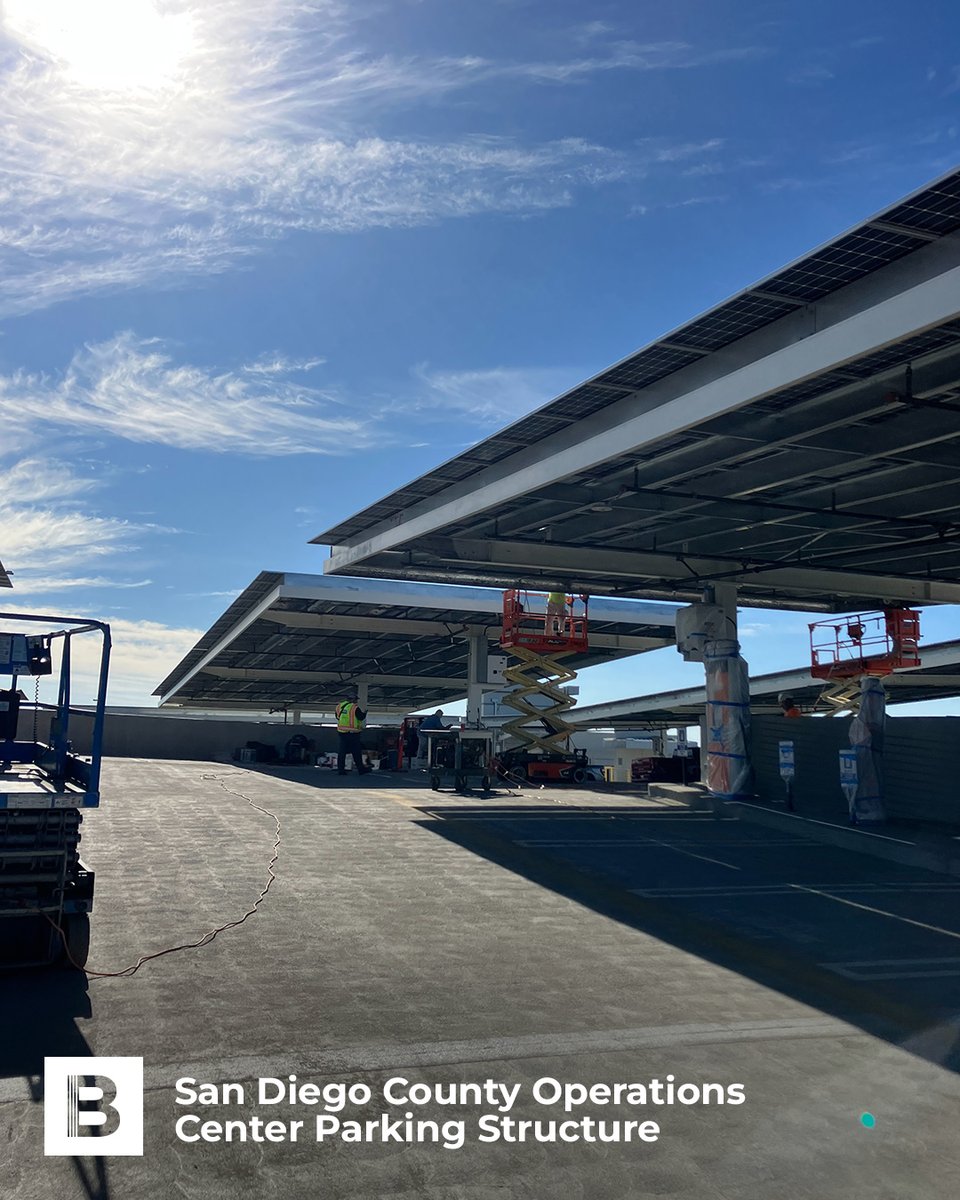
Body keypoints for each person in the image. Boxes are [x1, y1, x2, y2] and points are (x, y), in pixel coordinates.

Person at [335, 697, 371, 775]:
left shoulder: (339, 706)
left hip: (342, 732)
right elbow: (361, 717)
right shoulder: (354, 708)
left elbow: (337, 717)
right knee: (356, 752)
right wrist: (364, 713)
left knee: (342, 752)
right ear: (353, 700)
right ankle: (361, 769)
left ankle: (341, 770)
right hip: (353, 733)